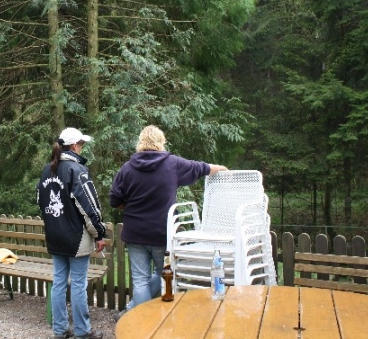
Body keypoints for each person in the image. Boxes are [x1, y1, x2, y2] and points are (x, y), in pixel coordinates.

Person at [109, 125, 228, 321]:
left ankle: (138, 320)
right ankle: (147, 320)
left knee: (140, 281)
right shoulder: (173, 164)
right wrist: (223, 170)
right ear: (161, 142)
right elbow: (202, 168)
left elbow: (115, 200)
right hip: (161, 233)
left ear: (140, 143)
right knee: (163, 274)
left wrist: (128, 206)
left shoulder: (127, 168)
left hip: (135, 233)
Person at [37, 127, 106, 339]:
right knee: (78, 283)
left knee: (58, 282)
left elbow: (40, 203)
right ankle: (83, 331)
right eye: (81, 144)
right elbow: (90, 207)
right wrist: (99, 234)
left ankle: (59, 330)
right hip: (76, 237)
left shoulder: (46, 170)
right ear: (75, 146)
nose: (82, 147)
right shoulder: (78, 171)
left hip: (55, 236)